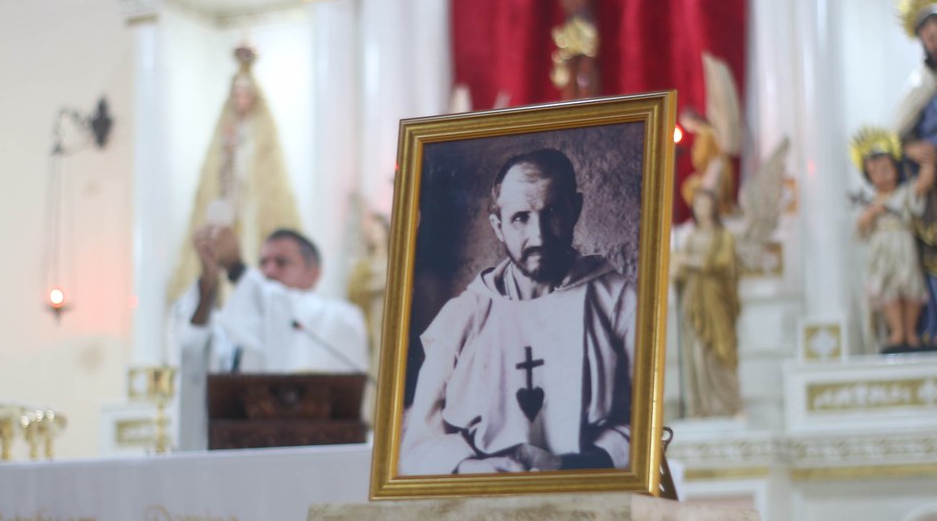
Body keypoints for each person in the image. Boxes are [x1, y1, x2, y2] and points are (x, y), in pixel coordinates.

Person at [399, 148, 636, 476]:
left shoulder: (619, 302)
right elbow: (417, 447)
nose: (538, 234)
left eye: (551, 211)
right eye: (521, 218)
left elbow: (651, 426)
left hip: (594, 495)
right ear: (498, 226)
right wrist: (473, 468)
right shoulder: (462, 318)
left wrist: (571, 466)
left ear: (575, 210)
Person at [171, 226, 369, 450]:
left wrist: (236, 268)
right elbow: (196, 351)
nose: (269, 271)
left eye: (281, 262)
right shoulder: (243, 320)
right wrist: (208, 287)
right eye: (263, 263)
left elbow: (283, 310)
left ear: (314, 272)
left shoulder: (337, 317)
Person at [850, 127, 935, 352]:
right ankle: (897, 333)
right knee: (889, 291)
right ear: (868, 176)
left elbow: (924, 184)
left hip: (904, 246)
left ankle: (911, 334)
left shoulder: (903, 193)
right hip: (883, 251)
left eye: (886, 168)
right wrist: (873, 212)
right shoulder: (872, 201)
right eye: (875, 171)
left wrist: (927, 161)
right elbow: (860, 226)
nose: (881, 174)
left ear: (896, 168)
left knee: (910, 288)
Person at [892, 0, 937, 345]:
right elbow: (895, 131)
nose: (934, 36)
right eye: (928, 33)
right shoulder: (921, 82)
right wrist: (908, 150)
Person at [671, 189, 742, 418]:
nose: (703, 209)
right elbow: (679, 271)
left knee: (719, 351)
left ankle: (728, 405)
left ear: (714, 207)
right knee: (697, 353)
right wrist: (676, 270)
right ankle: (701, 407)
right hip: (694, 301)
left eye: (707, 204)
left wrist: (689, 261)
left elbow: (722, 263)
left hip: (715, 301)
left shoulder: (723, 236)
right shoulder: (690, 237)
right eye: (699, 205)